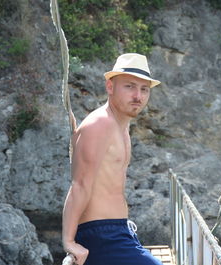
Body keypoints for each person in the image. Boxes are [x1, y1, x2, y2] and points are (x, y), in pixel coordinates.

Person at [62, 53, 163, 265]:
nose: (138, 95)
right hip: (101, 236)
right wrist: (69, 241)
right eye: (130, 86)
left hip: (117, 231)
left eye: (144, 89)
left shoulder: (120, 127)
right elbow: (80, 184)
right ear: (110, 87)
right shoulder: (100, 124)